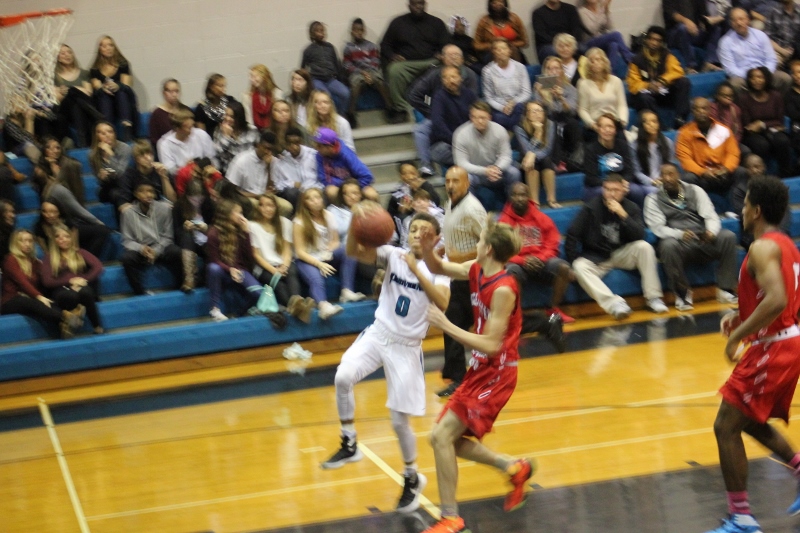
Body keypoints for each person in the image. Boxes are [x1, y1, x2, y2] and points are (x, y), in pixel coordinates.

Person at [321, 206, 450, 516]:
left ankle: (411, 477)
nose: (417, 234)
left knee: (398, 421)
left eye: (424, 232)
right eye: (413, 229)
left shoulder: (440, 268)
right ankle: (349, 442)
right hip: (379, 333)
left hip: (407, 347)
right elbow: (352, 251)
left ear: (436, 239)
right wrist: (356, 221)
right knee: (342, 377)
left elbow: (443, 303)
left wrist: (417, 270)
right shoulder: (393, 255)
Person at [419, 216, 535, 533]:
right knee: (447, 441)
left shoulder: (504, 289)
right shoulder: (476, 269)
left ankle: (451, 518)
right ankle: (514, 467)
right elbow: (440, 267)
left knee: (440, 437)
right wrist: (428, 250)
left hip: (498, 374)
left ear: (489, 249)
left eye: (480, 240)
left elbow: (492, 344)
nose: (477, 244)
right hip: (480, 370)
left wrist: (446, 325)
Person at [704, 177, 800, 533]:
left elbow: (777, 299)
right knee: (748, 418)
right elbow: (779, 297)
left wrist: (737, 337)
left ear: (756, 210)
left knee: (725, 426)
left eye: (745, 204)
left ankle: (742, 519)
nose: (742, 210)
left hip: (773, 346)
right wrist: (741, 314)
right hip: (785, 341)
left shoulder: (761, 248)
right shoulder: (786, 245)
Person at [565, 173, 668, 319]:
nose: (611, 194)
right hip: (597, 257)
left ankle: (653, 298)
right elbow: (572, 234)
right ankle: (614, 304)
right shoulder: (591, 208)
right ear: (603, 190)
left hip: (622, 253)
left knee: (644, 247)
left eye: (616, 190)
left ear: (623, 191)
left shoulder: (631, 207)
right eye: (608, 190)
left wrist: (623, 215)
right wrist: (572, 261)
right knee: (579, 266)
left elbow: (640, 235)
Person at [643, 162, 739, 312]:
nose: (667, 178)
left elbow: (711, 215)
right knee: (667, 245)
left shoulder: (695, 190)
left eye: (671, 174)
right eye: (664, 175)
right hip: (678, 243)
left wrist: (711, 232)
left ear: (678, 176)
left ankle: (725, 289)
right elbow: (658, 228)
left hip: (701, 239)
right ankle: (682, 294)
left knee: (728, 236)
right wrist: (679, 234)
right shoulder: (653, 199)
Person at [437, 166, 487, 398]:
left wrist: (463, 257)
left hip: (476, 278)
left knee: (495, 324)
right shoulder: (450, 203)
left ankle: (545, 324)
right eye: (448, 180)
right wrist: (444, 250)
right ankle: (456, 376)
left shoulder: (473, 209)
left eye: (455, 181)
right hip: (459, 277)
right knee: (453, 324)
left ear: (467, 183)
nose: (450, 185)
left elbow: (489, 244)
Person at [499, 182, 576, 322]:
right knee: (510, 271)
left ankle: (553, 310)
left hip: (541, 261)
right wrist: (523, 260)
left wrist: (541, 258)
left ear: (529, 197)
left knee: (563, 267)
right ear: (510, 198)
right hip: (518, 264)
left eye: (522, 195)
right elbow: (503, 251)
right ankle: (516, 315)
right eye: (515, 195)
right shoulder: (503, 222)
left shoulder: (541, 218)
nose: (519, 198)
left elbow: (552, 243)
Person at [408, 44, 479, 174]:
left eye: (456, 55)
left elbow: (474, 105)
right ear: (443, 58)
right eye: (449, 55)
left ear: (462, 59)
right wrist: (431, 111)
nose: (453, 58)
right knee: (420, 130)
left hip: (464, 117)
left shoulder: (470, 75)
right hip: (440, 116)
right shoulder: (434, 75)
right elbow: (414, 95)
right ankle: (426, 165)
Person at [293, 188, 363, 319]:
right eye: (310, 199)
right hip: (306, 260)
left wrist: (328, 252)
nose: (315, 201)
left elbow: (335, 241)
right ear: (304, 203)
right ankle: (323, 307)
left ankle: (346, 291)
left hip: (324, 254)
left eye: (317, 197)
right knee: (316, 279)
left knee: (349, 249)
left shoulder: (328, 215)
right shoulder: (299, 222)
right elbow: (300, 252)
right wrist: (319, 263)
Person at [1, 229, 84, 339]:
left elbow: (47, 280)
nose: (27, 244)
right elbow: (22, 282)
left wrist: (69, 283)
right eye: (23, 241)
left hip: (29, 298)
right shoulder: (10, 259)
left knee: (49, 302)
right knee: (31, 301)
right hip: (10, 301)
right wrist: (39, 296)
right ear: (15, 243)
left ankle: (64, 326)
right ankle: (69, 317)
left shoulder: (35, 262)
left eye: (30, 241)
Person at [380, 0, 449, 123]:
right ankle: (403, 108)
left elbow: (447, 44)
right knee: (394, 70)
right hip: (407, 64)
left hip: (432, 62)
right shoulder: (398, 23)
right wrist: (392, 56)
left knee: (447, 67)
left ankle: (441, 105)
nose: (418, 6)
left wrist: (442, 52)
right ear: (409, 6)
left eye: (420, 3)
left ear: (425, 5)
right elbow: (385, 45)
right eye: (414, 4)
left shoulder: (436, 23)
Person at [249, 193, 309, 321]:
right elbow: (256, 256)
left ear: (276, 207)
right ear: (258, 208)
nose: (267, 209)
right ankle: (298, 308)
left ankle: (296, 302)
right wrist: (274, 270)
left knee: (292, 271)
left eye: (270, 205)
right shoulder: (252, 226)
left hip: (282, 263)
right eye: (263, 205)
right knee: (279, 284)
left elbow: (287, 250)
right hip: (264, 267)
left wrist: (284, 266)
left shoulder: (284, 222)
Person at [453, 101, 521, 211]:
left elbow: (506, 155)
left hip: (497, 171)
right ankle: (473, 213)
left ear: (489, 117)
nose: (479, 121)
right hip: (476, 173)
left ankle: (514, 210)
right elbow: (461, 163)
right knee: (464, 178)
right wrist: (485, 171)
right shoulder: (461, 134)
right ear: (471, 118)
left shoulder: (499, 130)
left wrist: (497, 168)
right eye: (475, 117)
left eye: (483, 118)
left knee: (514, 173)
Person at [120, 179, 184, 296]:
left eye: (150, 191)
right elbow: (127, 240)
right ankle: (139, 292)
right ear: (136, 194)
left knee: (176, 251)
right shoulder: (128, 213)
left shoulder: (164, 209)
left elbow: (168, 236)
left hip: (161, 246)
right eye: (143, 191)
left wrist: (156, 250)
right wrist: (141, 248)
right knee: (126, 258)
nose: (148, 194)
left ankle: (180, 285)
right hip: (141, 250)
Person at [204, 199, 265, 322]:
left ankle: (239, 314)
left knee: (259, 293)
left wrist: (246, 233)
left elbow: (249, 257)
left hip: (240, 270)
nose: (241, 216)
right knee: (213, 268)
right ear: (228, 213)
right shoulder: (213, 233)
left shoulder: (240, 230)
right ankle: (214, 309)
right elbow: (214, 259)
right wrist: (230, 269)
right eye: (238, 212)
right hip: (222, 271)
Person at [41, 224, 104, 334]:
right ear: (54, 240)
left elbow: (98, 267)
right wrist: (70, 281)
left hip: (80, 286)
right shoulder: (49, 257)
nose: (63, 239)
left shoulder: (80, 252)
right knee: (70, 296)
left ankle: (96, 325)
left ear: (71, 238)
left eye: (66, 236)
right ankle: (72, 320)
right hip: (60, 288)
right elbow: (47, 281)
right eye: (58, 237)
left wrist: (83, 280)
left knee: (86, 292)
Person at [626, 25, 691, 130]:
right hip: (646, 94)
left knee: (684, 82)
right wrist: (649, 85)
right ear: (646, 40)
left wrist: (662, 81)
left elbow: (677, 71)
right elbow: (633, 84)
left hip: (662, 92)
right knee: (643, 97)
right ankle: (661, 127)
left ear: (662, 43)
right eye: (651, 39)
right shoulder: (637, 59)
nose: (654, 43)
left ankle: (680, 119)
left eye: (658, 40)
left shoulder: (667, 55)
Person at [678, 98, 745, 196]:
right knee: (688, 178)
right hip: (701, 176)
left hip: (722, 173)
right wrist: (703, 172)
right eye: (697, 109)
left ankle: (738, 202)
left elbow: (733, 154)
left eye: (704, 108)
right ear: (692, 112)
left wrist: (726, 169)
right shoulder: (685, 133)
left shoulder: (723, 130)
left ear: (710, 110)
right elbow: (685, 159)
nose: (701, 111)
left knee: (741, 172)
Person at [718, 8, 792, 95]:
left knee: (785, 78)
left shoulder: (760, 35)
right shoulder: (725, 42)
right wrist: (751, 76)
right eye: (735, 20)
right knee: (735, 84)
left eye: (741, 19)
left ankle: (776, 102)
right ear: (731, 23)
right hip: (744, 77)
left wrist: (763, 74)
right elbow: (730, 70)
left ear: (748, 19)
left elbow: (771, 59)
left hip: (764, 73)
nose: (739, 23)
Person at [739, 66, 793, 178]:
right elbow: (748, 126)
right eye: (753, 78)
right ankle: (762, 177)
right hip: (752, 135)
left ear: (766, 79)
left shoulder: (776, 96)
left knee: (782, 141)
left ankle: (785, 174)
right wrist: (766, 125)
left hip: (772, 130)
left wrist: (762, 124)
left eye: (760, 77)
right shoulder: (744, 99)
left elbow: (780, 121)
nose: (756, 80)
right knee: (761, 145)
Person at [583, 114, 648, 204]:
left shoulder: (623, 145)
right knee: (605, 193)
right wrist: (613, 185)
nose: (607, 130)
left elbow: (629, 170)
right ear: (598, 129)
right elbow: (591, 179)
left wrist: (623, 182)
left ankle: (635, 213)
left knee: (637, 191)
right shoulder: (590, 149)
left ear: (615, 130)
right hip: (598, 186)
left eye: (610, 126)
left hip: (620, 183)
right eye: (603, 127)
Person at [343, 18, 393, 127]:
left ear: (364, 31)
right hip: (357, 72)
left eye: (361, 30)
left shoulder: (371, 46)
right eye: (356, 30)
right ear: (352, 32)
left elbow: (376, 61)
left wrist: (369, 73)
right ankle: (351, 113)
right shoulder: (348, 48)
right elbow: (347, 65)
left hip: (371, 71)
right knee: (356, 84)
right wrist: (362, 72)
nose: (358, 32)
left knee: (380, 81)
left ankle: (390, 108)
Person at [426, 65, 478, 171]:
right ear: (442, 81)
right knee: (438, 153)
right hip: (447, 143)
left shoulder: (469, 94)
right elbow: (438, 123)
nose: (450, 80)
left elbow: (479, 114)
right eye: (446, 78)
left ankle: (470, 162)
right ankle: (472, 162)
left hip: (468, 141)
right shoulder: (439, 97)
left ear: (460, 78)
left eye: (453, 77)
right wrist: (457, 141)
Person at [89, 35, 138, 141]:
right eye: (104, 46)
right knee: (103, 95)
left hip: (123, 98)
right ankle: (108, 131)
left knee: (121, 92)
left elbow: (127, 85)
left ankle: (127, 129)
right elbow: (96, 86)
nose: (108, 48)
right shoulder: (94, 69)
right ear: (100, 49)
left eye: (110, 45)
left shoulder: (123, 64)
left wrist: (117, 85)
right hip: (105, 99)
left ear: (114, 47)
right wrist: (103, 88)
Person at [54, 44, 102, 148]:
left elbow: (88, 93)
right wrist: (76, 89)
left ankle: (83, 144)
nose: (67, 55)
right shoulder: (54, 76)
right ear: (58, 57)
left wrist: (69, 90)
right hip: (64, 111)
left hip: (81, 107)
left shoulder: (83, 73)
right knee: (72, 94)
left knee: (76, 104)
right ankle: (96, 116)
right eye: (63, 53)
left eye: (69, 52)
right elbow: (57, 99)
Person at [313, 127, 377, 204]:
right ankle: (341, 211)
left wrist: (353, 188)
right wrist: (343, 187)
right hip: (339, 188)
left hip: (356, 185)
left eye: (319, 146)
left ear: (329, 147)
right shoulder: (320, 156)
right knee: (331, 191)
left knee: (371, 194)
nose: (317, 148)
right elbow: (323, 179)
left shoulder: (346, 155)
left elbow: (367, 176)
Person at [301, 21, 350, 120]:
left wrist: (341, 79)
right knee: (326, 96)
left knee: (345, 93)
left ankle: (341, 116)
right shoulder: (308, 50)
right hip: (317, 80)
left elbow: (336, 64)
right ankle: (329, 118)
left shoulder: (330, 47)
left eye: (322, 31)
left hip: (331, 79)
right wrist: (306, 84)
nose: (320, 33)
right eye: (317, 31)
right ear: (312, 34)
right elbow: (303, 68)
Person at [515, 101, 559, 208]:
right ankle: (534, 202)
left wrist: (533, 155)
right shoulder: (519, 128)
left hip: (547, 159)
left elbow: (548, 149)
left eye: (540, 111)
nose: (538, 114)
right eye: (534, 111)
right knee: (532, 163)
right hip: (526, 163)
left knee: (545, 160)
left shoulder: (550, 124)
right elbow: (526, 150)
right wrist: (537, 134)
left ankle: (552, 199)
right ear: (527, 114)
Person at [33, 200, 110, 261]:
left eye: (54, 212)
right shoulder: (39, 228)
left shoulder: (68, 222)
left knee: (103, 230)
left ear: (59, 212)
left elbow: (74, 247)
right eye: (45, 212)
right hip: (56, 256)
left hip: (73, 252)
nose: (50, 215)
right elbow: (47, 252)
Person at [172, 178, 213, 293]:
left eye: (200, 199)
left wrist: (205, 228)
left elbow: (216, 228)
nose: (197, 202)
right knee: (186, 236)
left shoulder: (209, 204)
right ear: (187, 196)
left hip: (205, 241)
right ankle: (189, 279)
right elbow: (176, 232)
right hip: (189, 243)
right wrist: (185, 227)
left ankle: (208, 279)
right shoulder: (179, 206)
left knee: (212, 242)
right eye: (193, 199)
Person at [481, 38, 531, 130]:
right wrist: (502, 107)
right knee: (497, 118)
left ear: (509, 51)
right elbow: (488, 97)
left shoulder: (520, 67)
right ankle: (515, 129)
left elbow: (526, 92)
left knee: (519, 109)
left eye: (504, 48)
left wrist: (513, 103)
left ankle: (510, 130)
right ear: (493, 52)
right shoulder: (488, 71)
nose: (501, 51)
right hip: (500, 108)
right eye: (498, 49)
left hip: (518, 104)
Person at [577, 47, 628, 135]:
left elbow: (622, 105)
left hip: (613, 124)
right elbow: (582, 109)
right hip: (595, 125)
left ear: (605, 62)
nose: (595, 63)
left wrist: (622, 122)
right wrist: (592, 125)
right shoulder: (583, 84)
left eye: (598, 59)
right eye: (592, 61)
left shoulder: (616, 81)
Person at [578, 0, 634, 78]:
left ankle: (610, 73)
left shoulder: (601, 9)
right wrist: (602, 11)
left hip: (602, 40)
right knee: (616, 34)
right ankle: (630, 59)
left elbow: (610, 27)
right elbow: (592, 29)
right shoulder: (582, 11)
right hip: (589, 43)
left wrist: (607, 11)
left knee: (613, 45)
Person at [663, 0, 723, 72]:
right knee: (683, 28)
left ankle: (710, 62)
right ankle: (690, 66)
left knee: (716, 28)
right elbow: (671, 14)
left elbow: (703, 15)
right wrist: (686, 21)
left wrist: (705, 23)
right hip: (675, 34)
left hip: (694, 31)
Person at [118, 140, 177, 211]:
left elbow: (173, 199)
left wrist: (164, 177)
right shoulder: (128, 175)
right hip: (137, 210)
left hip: (158, 210)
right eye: (142, 155)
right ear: (136, 159)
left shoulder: (160, 170)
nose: (148, 158)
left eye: (150, 154)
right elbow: (123, 205)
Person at [387, 162, 441, 239]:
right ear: (401, 176)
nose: (409, 177)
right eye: (405, 174)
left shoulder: (426, 185)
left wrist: (422, 187)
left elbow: (436, 202)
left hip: (429, 216)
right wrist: (404, 211)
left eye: (412, 173)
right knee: (402, 217)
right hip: (408, 222)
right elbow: (391, 213)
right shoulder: (397, 193)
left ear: (417, 173)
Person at [156, 109, 217, 176]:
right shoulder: (164, 144)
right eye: (189, 128)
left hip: (206, 174)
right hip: (182, 177)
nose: (192, 130)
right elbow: (170, 170)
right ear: (177, 129)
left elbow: (213, 158)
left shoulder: (201, 134)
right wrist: (187, 169)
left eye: (192, 126)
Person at [272, 126, 320, 209]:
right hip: (297, 195)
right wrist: (292, 183)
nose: (293, 146)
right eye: (289, 143)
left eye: (296, 143)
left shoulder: (313, 155)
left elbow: (321, 177)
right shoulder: (282, 161)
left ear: (301, 142)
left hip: (314, 189)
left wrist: (312, 190)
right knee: (291, 192)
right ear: (286, 144)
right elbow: (277, 185)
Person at [89, 121, 132, 207]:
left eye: (110, 132)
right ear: (96, 137)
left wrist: (110, 155)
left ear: (115, 134)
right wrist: (102, 178)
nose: (107, 135)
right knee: (111, 194)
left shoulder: (124, 148)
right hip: (108, 187)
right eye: (103, 133)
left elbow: (120, 173)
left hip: (125, 184)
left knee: (118, 194)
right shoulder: (93, 155)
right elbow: (100, 181)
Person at [630, 110, 676, 191]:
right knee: (654, 191)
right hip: (646, 183)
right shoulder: (634, 146)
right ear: (642, 126)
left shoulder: (668, 143)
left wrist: (664, 178)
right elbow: (636, 171)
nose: (652, 125)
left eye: (654, 121)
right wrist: (651, 182)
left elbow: (671, 165)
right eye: (647, 123)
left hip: (665, 180)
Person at [474, 0, 529, 65]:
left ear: (505, 4)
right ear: (490, 5)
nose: (498, 4)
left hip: (513, 51)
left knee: (511, 51)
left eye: (501, 2)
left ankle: (515, 70)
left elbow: (524, 41)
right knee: (498, 52)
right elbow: (476, 45)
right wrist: (493, 46)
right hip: (491, 53)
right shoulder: (484, 21)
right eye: (494, 3)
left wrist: (508, 45)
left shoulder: (514, 18)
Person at [35, 136, 85, 205]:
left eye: (57, 148)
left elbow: (70, 190)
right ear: (44, 150)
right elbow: (47, 194)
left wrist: (58, 174)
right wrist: (54, 169)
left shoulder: (68, 164)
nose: (55, 151)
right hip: (51, 203)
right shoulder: (40, 170)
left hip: (71, 201)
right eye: (48, 148)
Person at [213, 100, 259, 174]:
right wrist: (226, 137)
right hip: (228, 172)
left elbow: (256, 153)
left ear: (239, 118)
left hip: (248, 170)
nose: (227, 119)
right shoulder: (219, 131)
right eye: (226, 115)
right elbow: (219, 158)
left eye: (231, 117)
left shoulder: (252, 130)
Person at [149, 79, 192, 151]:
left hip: (188, 148)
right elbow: (154, 140)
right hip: (167, 150)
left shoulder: (186, 110)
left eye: (176, 91)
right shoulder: (157, 114)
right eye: (170, 91)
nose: (174, 95)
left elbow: (194, 133)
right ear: (164, 93)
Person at [242, 64, 283, 131]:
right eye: (250, 77)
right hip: (255, 131)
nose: (251, 79)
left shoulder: (277, 93)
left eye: (254, 76)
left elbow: (279, 116)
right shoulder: (247, 96)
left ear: (264, 76)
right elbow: (248, 120)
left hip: (274, 130)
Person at [764, 0, 800, 68]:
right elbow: (767, 38)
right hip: (780, 49)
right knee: (774, 61)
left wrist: (794, 49)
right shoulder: (773, 12)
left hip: (797, 48)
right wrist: (782, 51)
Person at [710, 81, 745, 146]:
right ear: (718, 96)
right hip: (716, 142)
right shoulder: (712, 108)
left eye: (730, 96)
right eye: (724, 96)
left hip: (732, 141)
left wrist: (734, 142)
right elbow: (714, 128)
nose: (728, 98)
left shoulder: (735, 109)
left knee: (746, 150)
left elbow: (739, 130)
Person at [786, 60, 800, 160]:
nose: (798, 76)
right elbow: (794, 115)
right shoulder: (789, 95)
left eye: (799, 72)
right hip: (797, 125)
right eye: (795, 73)